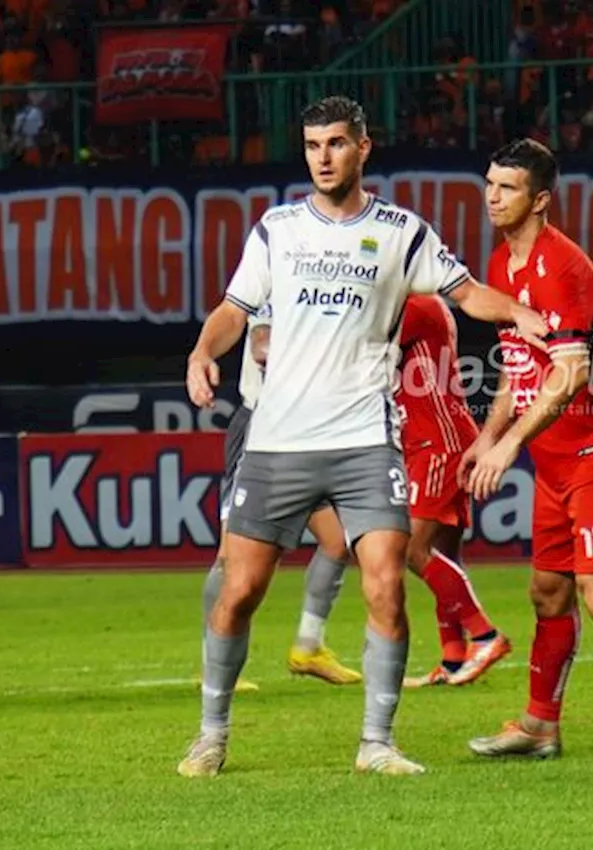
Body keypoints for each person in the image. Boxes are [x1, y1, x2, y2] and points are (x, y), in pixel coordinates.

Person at [179, 96, 548, 777]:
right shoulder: (277, 230)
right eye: (314, 144)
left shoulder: (401, 231)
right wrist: (204, 352)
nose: (323, 157)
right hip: (278, 443)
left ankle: (376, 743)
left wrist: (520, 310)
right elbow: (233, 311)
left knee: (386, 584)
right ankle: (212, 734)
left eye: (337, 144)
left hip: (364, 442)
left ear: (363, 148)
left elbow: (465, 292)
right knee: (239, 592)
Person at [464, 139, 593, 768]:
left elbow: (570, 374)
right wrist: (487, 434)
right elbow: (518, 367)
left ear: (541, 199)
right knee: (548, 591)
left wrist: (510, 445)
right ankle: (538, 726)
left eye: (507, 188)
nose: (492, 197)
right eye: (490, 184)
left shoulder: (566, 266)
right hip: (553, 459)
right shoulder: (503, 265)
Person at [281, 294, 512, 688]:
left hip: (435, 442)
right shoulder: (422, 304)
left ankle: (486, 636)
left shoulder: (416, 304)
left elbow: (360, 346)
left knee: (411, 548)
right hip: (438, 437)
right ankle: (454, 658)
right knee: (444, 554)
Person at [201, 303, 362, 687]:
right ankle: (213, 662)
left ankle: (308, 647)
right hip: (263, 425)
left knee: (337, 542)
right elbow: (262, 348)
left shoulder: (326, 279)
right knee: (231, 555)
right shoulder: (275, 271)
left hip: (305, 428)